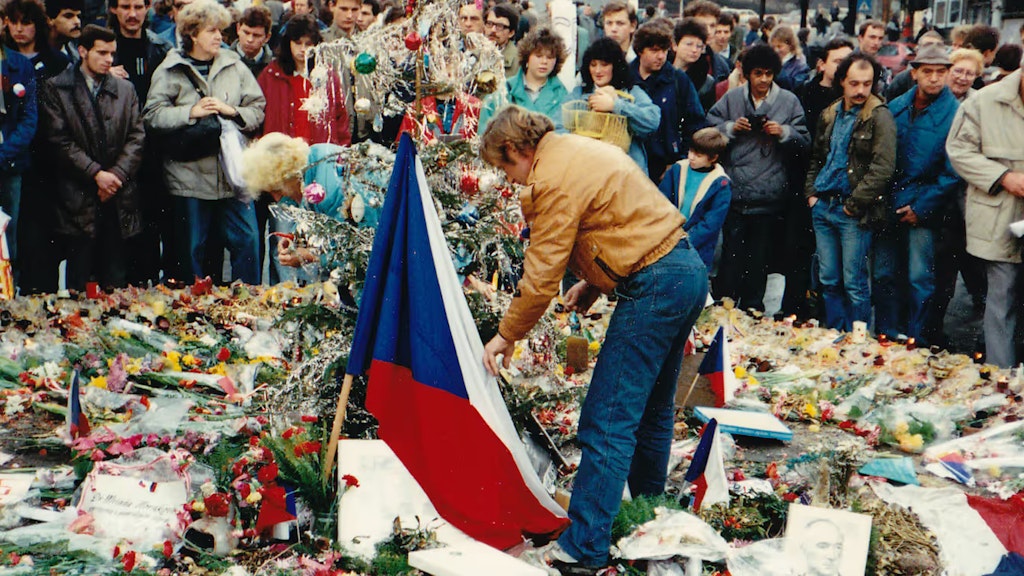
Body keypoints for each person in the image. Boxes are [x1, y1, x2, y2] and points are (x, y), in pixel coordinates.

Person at [479, 105, 707, 572]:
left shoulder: (552, 176)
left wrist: (506, 335)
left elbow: (541, 275)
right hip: (683, 269)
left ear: (517, 150)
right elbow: (617, 220)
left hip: (656, 282)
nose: (509, 181)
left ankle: (584, 548)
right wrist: (596, 281)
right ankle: (649, 516)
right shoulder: (575, 150)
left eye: (504, 168)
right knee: (651, 411)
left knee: (607, 417)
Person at [143, 0, 266, 285]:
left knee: (247, 242)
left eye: (220, 31)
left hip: (232, 176)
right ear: (192, 34)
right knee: (192, 252)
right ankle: (193, 316)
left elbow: (258, 107)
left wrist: (232, 111)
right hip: (190, 178)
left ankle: (248, 306)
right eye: (211, 31)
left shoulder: (234, 65)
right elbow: (152, 115)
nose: (219, 37)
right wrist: (190, 112)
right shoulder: (170, 69)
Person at [40, 24, 144, 291]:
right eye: (102, 52)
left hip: (117, 195)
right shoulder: (57, 89)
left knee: (116, 280)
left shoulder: (125, 90)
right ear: (83, 51)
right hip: (78, 196)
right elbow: (59, 141)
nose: (109, 59)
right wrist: (97, 174)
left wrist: (116, 176)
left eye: (112, 53)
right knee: (79, 278)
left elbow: (137, 137)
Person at [707, 43, 809, 311]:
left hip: (769, 192)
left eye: (768, 73)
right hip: (736, 191)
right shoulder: (731, 99)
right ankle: (726, 308)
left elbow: (805, 140)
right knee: (731, 255)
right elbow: (709, 129)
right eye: (758, 74)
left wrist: (784, 132)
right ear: (747, 75)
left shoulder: (788, 101)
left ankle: (753, 308)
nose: (763, 80)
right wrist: (731, 127)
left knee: (759, 258)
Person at [872, 45, 959, 343]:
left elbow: (952, 172)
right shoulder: (896, 106)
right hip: (889, 204)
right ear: (915, 73)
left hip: (923, 208)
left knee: (919, 278)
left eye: (940, 72)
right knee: (883, 274)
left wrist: (921, 208)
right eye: (927, 72)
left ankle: (916, 341)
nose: (934, 79)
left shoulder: (955, 115)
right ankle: (886, 335)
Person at [805, 53, 895, 331]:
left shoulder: (879, 117)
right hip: (824, 206)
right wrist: (811, 193)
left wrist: (854, 205)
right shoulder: (831, 112)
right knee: (828, 279)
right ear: (842, 81)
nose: (860, 91)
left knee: (854, 283)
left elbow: (883, 167)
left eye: (867, 84)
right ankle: (834, 335)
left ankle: (857, 343)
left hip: (851, 211)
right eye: (854, 83)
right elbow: (818, 156)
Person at [946, 61, 1024, 367]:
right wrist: (1004, 177)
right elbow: (959, 150)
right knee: (1000, 300)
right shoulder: (984, 101)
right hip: (1000, 218)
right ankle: (1001, 384)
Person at [107, 0, 172, 286]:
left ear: (148, 8)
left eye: (137, 6)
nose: (132, 14)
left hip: (154, 148)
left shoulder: (161, 48)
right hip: (115, 150)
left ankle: (147, 285)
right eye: (125, 7)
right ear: (113, 10)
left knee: (153, 220)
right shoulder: (105, 47)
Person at [630, 21, 707, 182]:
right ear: (639, 50)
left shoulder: (678, 80)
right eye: (654, 50)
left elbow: (695, 123)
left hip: (665, 166)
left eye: (664, 50)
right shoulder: (625, 77)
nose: (661, 56)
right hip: (630, 164)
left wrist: (680, 161)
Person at [571, 37, 660, 175]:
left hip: (625, 171)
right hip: (588, 169)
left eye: (604, 64)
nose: (598, 71)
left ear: (616, 66)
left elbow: (653, 120)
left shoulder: (632, 91)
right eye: (593, 65)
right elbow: (559, 126)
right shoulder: (578, 93)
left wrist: (616, 105)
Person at [657, 126, 731, 272]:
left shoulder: (721, 183)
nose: (691, 157)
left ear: (713, 158)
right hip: (667, 237)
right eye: (690, 151)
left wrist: (684, 241)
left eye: (698, 155)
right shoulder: (677, 169)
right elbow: (661, 200)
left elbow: (711, 223)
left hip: (697, 247)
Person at [0, 2, 34, 288]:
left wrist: (3, 152)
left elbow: (28, 120)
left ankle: (8, 295)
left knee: (7, 235)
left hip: (7, 161)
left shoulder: (19, 65)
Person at [479, 27, 568, 132]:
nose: (544, 61)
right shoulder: (504, 90)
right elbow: (485, 132)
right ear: (527, 57)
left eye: (550, 57)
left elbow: (565, 133)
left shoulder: (562, 94)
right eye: (538, 56)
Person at [798, 37, 853, 140]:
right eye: (838, 61)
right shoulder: (804, 92)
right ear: (822, 65)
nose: (845, 67)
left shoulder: (854, 95)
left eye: (849, 62)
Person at [3, 0, 70, 79]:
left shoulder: (58, 61)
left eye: (26, 23)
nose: (19, 29)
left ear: (38, 24)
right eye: (14, 23)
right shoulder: (3, 58)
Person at [885, 30, 943, 102]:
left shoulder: (948, 80)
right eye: (926, 47)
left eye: (936, 48)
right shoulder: (901, 81)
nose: (931, 52)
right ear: (917, 51)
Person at [233, 6, 273, 78]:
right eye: (246, 33)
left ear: (267, 37)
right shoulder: (222, 61)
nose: (250, 40)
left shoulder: (274, 67)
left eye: (257, 36)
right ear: (238, 28)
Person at [770, 25, 809, 92]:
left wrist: (778, 67)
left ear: (790, 45)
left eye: (780, 46)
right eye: (773, 47)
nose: (776, 50)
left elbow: (794, 86)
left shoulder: (800, 64)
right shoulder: (771, 60)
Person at [486, 3, 519, 78]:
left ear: (511, 33)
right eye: (489, 24)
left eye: (500, 26)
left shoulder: (518, 61)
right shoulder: (474, 55)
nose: (493, 30)